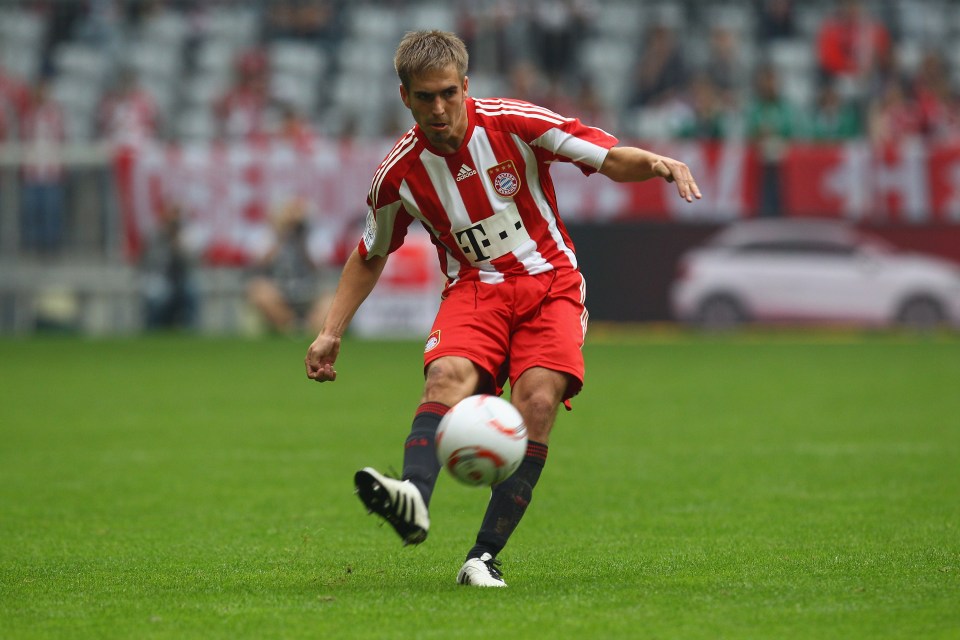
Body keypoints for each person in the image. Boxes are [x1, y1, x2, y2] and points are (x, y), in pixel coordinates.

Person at [304, 30, 700, 587]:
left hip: (550, 284)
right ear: (405, 97)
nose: (438, 108)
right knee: (445, 375)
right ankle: (412, 499)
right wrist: (331, 331)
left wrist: (657, 163)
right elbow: (370, 255)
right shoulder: (397, 175)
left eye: (447, 93)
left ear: (465, 85)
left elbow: (608, 158)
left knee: (536, 401)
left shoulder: (514, 121)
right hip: (474, 288)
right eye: (424, 97)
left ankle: (482, 557)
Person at [248, 198, 331, 335]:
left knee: (330, 300)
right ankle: (291, 328)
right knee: (259, 290)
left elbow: (318, 263)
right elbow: (260, 262)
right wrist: (282, 234)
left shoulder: (314, 235)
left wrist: (301, 236)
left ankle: (309, 330)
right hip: (279, 291)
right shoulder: (268, 234)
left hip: (309, 291)